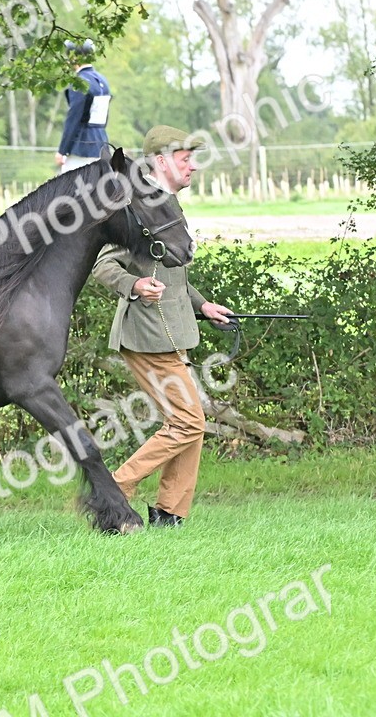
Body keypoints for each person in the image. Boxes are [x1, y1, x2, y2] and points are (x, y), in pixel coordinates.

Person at [91, 125, 234, 527]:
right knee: (189, 422)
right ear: (161, 161)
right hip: (147, 334)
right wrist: (134, 284)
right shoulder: (136, 206)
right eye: (185, 158)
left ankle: (170, 513)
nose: (192, 166)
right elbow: (104, 264)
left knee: (189, 425)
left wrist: (204, 305)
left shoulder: (166, 202)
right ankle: (115, 489)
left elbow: (174, 277)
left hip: (174, 329)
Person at [55, 39, 111, 173]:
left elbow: (74, 118)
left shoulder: (79, 82)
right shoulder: (103, 80)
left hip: (81, 147)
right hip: (101, 144)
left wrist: (62, 150)